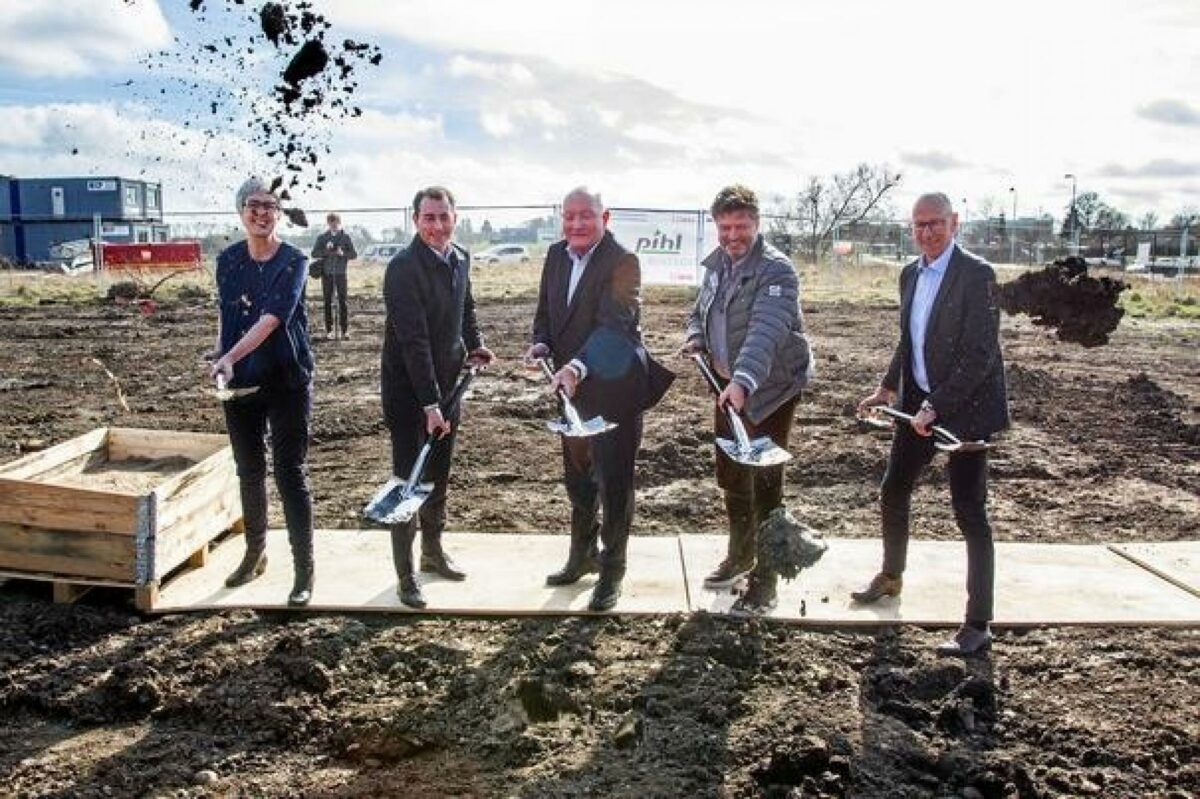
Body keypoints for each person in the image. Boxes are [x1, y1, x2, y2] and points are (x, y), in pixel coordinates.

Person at [853, 192, 1009, 656]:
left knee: (969, 512)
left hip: (966, 409)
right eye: (919, 225)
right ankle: (891, 576)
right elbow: (911, 340)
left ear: (954, 222)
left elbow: (980, 354)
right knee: (894, 488)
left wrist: (937, 406)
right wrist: (888, 388)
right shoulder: (910, 274)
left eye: (935, 223)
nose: (927, 232)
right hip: (919, 404)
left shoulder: (978, 276)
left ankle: (978, 623)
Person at [524, 187, 673, 612]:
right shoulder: (555, 256)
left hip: (613, 388)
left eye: (585, 216)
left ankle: (612, 572)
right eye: (569, 217)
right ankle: (582, 555)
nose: (576, 224)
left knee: (614, 481)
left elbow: (616, 326)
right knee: (578, 477)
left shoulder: (623, 260)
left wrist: (576, 366)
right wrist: (541, 345)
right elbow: (546, 314)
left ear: (604, 217)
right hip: (570, 391)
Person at [681, 184, 815, 616]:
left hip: (770, 390)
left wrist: (742, 381)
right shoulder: (718, 264)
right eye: (725, 227)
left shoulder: (776, 271)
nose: (733, 235)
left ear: (757, 224)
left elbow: (765, 332)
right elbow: (700, 308)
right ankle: (740, 556)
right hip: (727, 389)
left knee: (765, 483)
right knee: (732, 474)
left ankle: (767, 581)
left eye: (741, 226)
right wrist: (697, 337)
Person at [382, 186, 495, 609]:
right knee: (408, 481)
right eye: (428, 218)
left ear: (455, 216)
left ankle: (432, 551)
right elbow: (414, 343)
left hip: (448, 388)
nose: (437, 226)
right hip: (410, 392)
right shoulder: (402, 268)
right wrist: (430, 405)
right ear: (416, 221)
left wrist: (475, 344)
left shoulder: (460, 257)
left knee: (438, 477)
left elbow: (466, 309)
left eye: (443, 216)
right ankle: (405, 574)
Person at [211, 177, 315, 607]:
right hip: (241, 383)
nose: (262, 212)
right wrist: (220, 353)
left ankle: (303, 571)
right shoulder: (228, 260)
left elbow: (272, 319)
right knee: (248, 471)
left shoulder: (294, 260)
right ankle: (254, 553)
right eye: (253, 205)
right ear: (241, 212)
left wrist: (230, 355)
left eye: (270, 206)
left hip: (287, 380)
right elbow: (226, 313)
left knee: (289, 473)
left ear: (279, 214)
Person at [311, 212, 357, 339]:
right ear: (328, 224)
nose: (334, 225)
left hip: (341, 273)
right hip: (327, 274)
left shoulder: (345, 237)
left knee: (343, 302)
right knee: (327, 302)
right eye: (331, 223)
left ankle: (344, 330)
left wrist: (343, 253)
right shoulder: (322, 237)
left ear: (339, 223)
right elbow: (314, 253)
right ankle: (329, 330)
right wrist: (326, 251)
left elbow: (354, 254)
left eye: (336, 223)